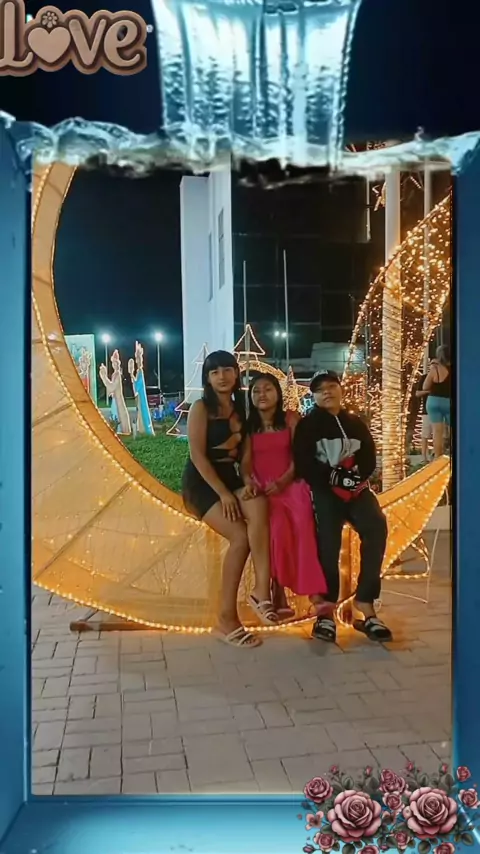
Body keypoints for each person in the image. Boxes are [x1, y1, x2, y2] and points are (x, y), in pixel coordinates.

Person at [182, 350, 279, 649]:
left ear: (237, 374)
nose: (221, 376)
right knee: (240, 537)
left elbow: (245, 459)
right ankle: (226, 618)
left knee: (259, 503)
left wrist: (247, 482)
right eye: (214, 372)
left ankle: (261, 592)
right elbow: (197, 456)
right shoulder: (201, 408)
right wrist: (224, 494)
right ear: (207, 378)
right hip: (202, 484)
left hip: (231, 480)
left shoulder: (242, 410)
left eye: (227, 370)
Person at [293, 369, 392, 644]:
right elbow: (303, 462)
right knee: (328, 543)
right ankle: (326, 611)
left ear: (340, 389)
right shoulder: (308, 425)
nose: (327, 392)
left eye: (331, 386)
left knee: (376, 526)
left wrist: (357, 477)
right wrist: (332, 477)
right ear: (313, 396)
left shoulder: (355, 422)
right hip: (325, 492)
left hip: (357, 491)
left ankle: (366, 602)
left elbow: (369, 455)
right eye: (320, 389)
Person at [241, 374, 330, 618]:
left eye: (267, 389)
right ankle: (277, 590)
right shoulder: (248, 427)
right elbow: (245, 465)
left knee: (302, 521)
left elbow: (299, 456)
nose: (262, 394)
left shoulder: (291, 419)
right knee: (276, 527)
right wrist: (249, 482)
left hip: (290, 484)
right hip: (263, 488)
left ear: (277, 393)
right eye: (256, 390)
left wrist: (283, 481)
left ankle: (314, 593)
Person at [423, 345, 451, 458]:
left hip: (433, 401)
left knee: (437, 432)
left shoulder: (435, 368)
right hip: (448, 402)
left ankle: (438, 457)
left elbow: (425, 386)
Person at [414, 369, 431, 463]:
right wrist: (428, 392)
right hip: (426, 411)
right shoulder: (424, 378)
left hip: (440, 411)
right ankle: (424, 457)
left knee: (439, 434)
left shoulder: (442, 377)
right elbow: (417, 393)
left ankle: (436, 455)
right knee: (425, 434)